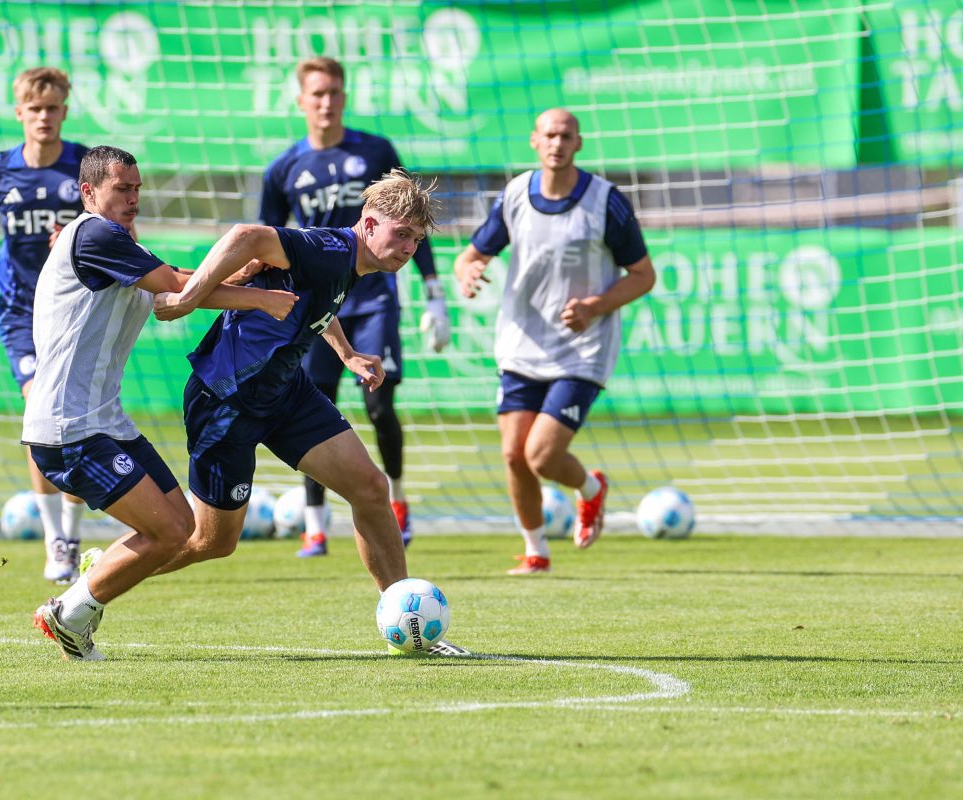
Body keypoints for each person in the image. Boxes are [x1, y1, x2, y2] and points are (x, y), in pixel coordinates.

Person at [58, 169, 467, 660]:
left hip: (286, 394)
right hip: (226, 400)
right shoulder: (331, 247)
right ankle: (101, 574)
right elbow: (245, 237)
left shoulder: (348, 265)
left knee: (370, 489)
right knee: (210, 540)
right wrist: (188, 299)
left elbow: (315, 303)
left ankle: (407, 617)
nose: (406, 248)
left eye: (415, 240)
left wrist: (346, 352)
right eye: (399, 234)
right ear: (368, 224)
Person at [27, 145, 297, 661]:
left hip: (103, 422)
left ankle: (82, 596)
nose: (133, 198)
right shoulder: (96, 234)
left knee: (183, 529)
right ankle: (69, 614)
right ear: (89, 193)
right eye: (121, 189)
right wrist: (259, 298)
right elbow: (176, 289)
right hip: (69, 429)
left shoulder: (119, 245)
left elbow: (176, 284)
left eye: (137, 188)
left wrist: (236, 275)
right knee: (170, 530)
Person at [259, 56, 451, 558]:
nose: (326, 102)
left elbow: (411, 222)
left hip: (373, 300)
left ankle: (399, 502)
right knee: (314, 401)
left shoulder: (375, 150)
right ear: (302, 100)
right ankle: (315, 525)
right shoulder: (283, 168)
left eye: (335, 93)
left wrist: (433, 289)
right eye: (317, 94)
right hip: (319, 307)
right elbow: (265, 242)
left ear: (344, 97)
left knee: (379, 402)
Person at [453, 108, 655, 575]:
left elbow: (644, 276)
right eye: (549, 134)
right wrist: (469, 275)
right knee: (512, 454)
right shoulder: (516, 195)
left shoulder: (606, 201)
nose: (557, 143)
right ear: (534, 141)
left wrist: (594, 306)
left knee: (541, 454)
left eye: (566, 135)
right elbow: (468, 258)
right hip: (521, 344)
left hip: (581, 350)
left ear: (578, 143)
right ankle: (536, 551)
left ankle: (590, 489)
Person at [0, 67, 91, 584]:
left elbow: (118, 222)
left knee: (74, 420)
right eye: (34, 108)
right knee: (40, 409)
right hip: (21, 311)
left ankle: (75, 531)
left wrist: (79, 232)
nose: (44, 116)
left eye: (53, 107)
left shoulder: (84, 165)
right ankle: (53, 540)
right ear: (20, 113)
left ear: (64, 110)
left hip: (75, 310)